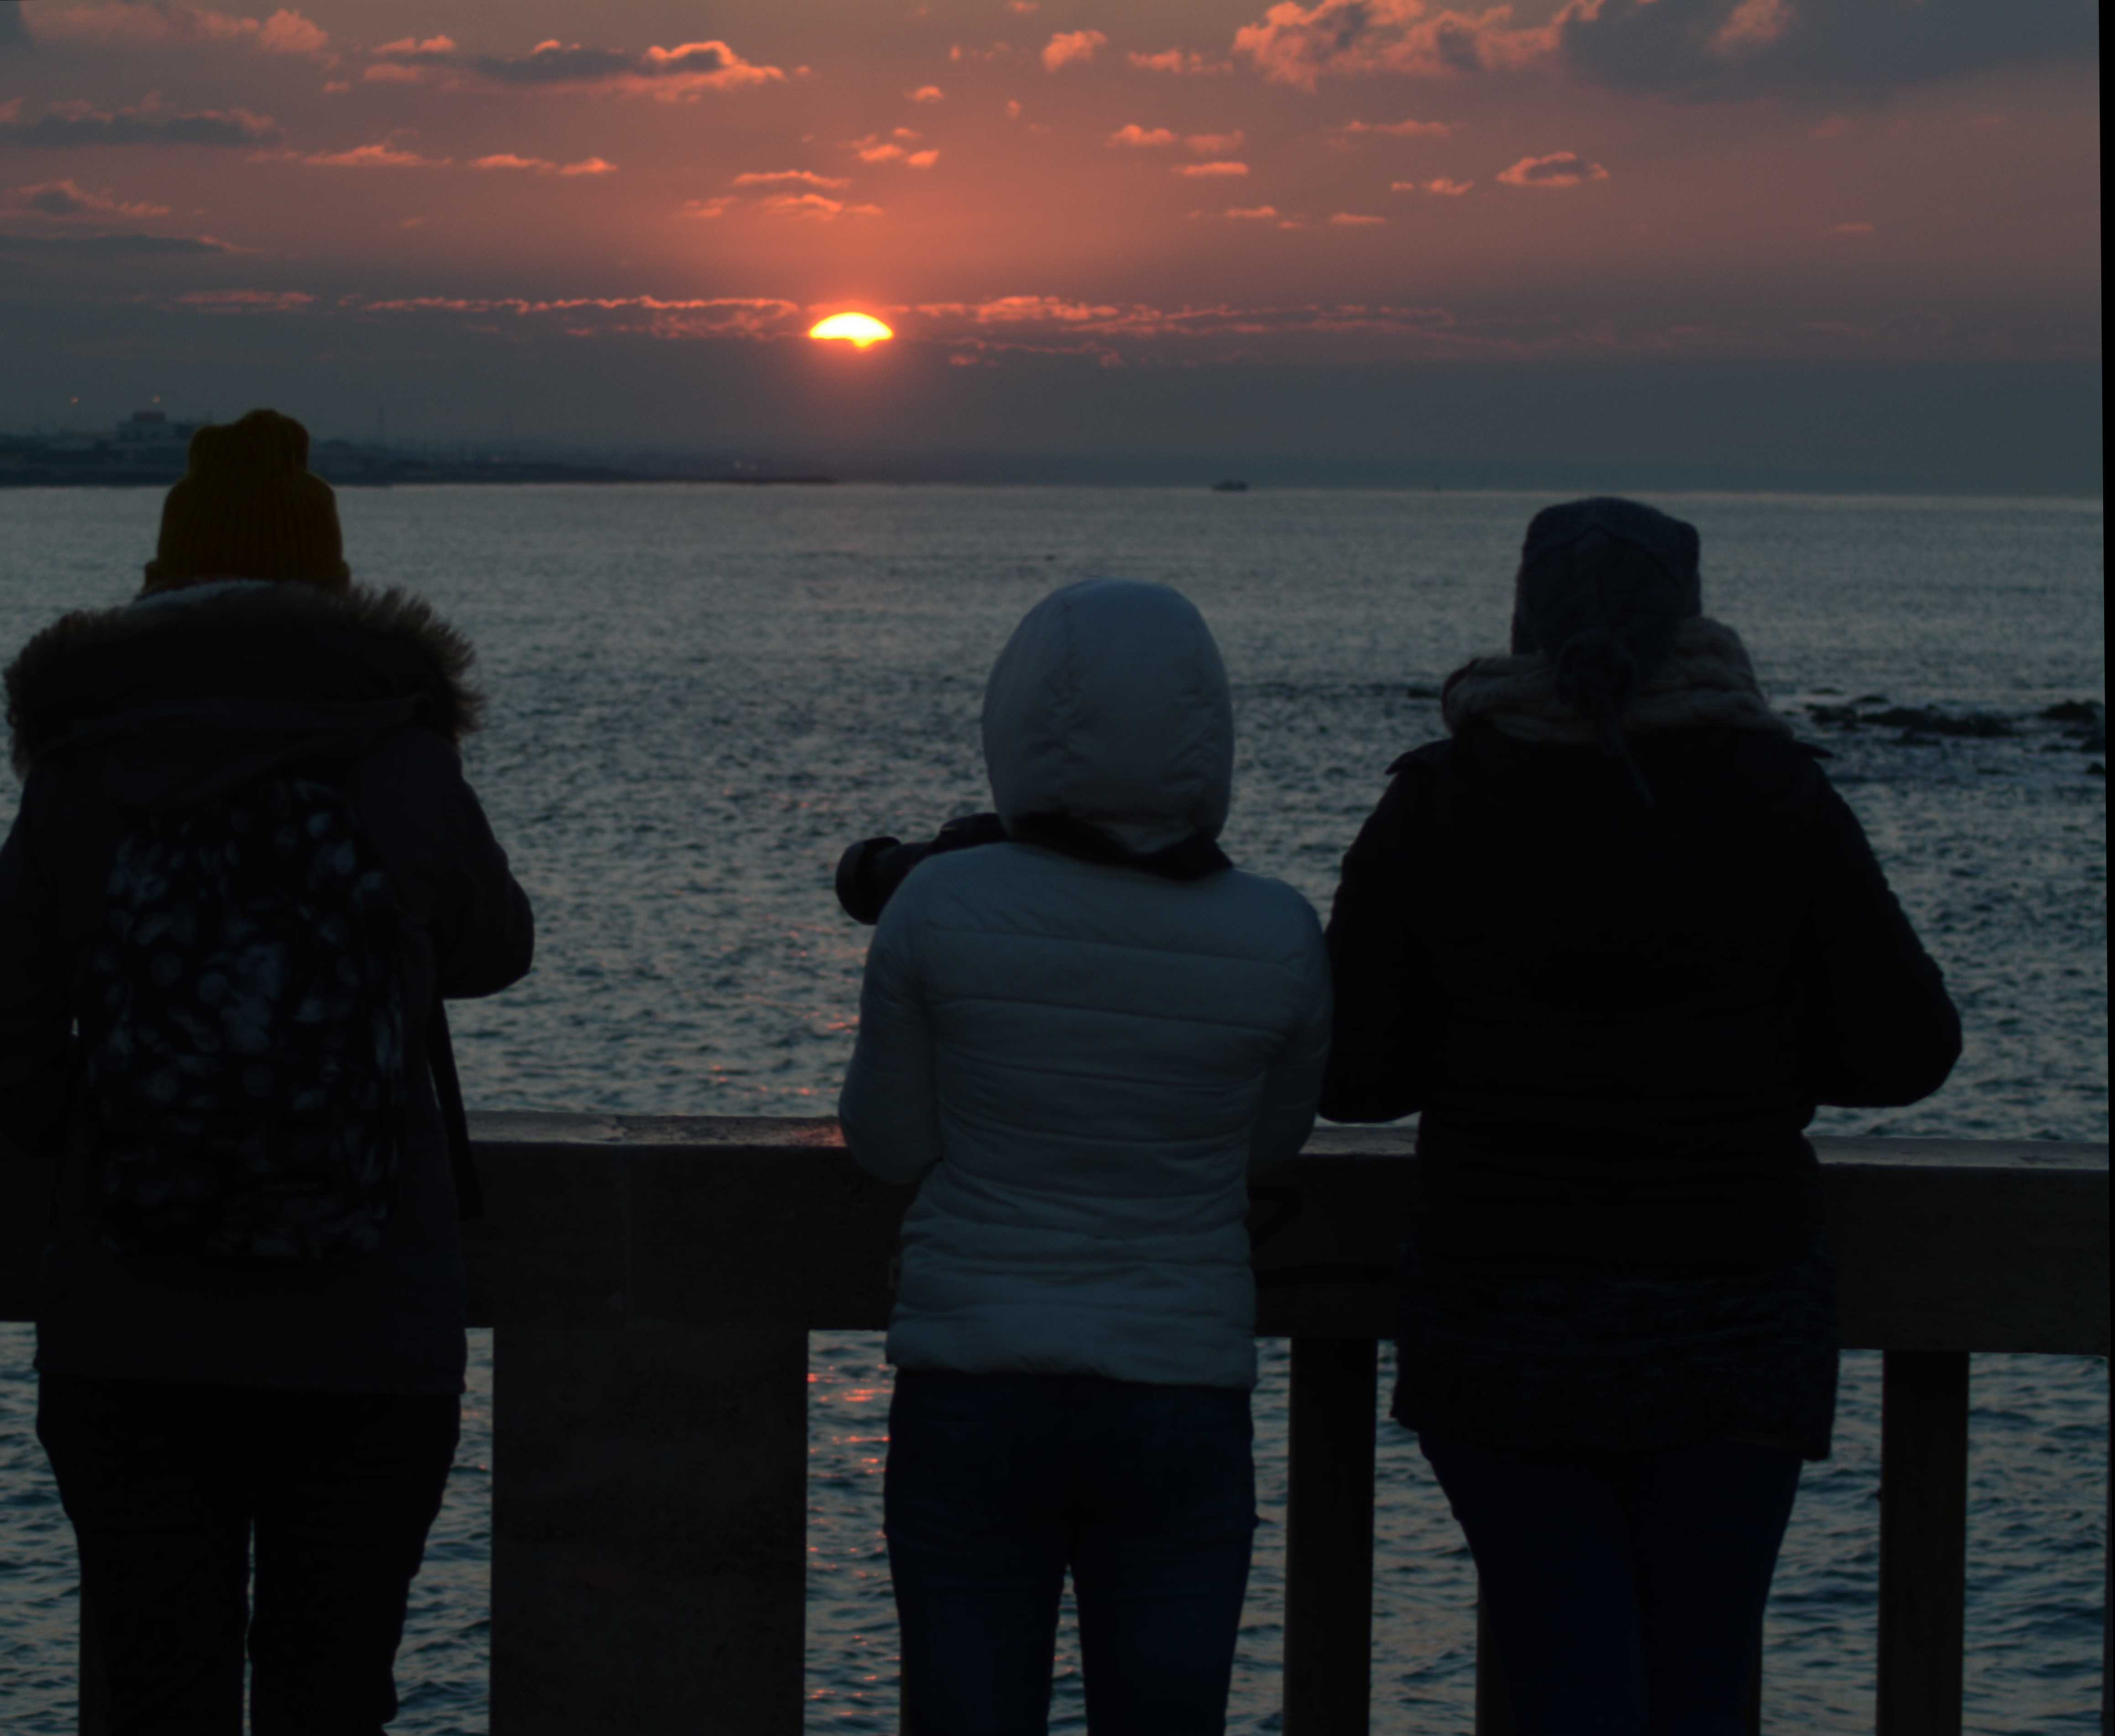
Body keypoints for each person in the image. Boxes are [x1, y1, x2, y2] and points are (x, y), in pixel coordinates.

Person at [1321, 498, 1960, 1735]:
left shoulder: (1442, 797)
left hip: (1504, 1313)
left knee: (1566, 1674)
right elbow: (1908, 1049)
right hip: (1731, 1310)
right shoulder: (1774, 791)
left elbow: (1350, 1076)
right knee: (1702, 1673)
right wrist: (1759, 1050)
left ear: (1522, 614)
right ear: (1689, 622)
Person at [0, 408, 531, 1736]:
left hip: (132, 1328)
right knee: (332, 1690)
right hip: (369, 1324)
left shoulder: (87, 766)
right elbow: (497, 949)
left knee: (160, 1691)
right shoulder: (398, 753)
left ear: (161, 586)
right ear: (330, 590)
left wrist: (120, 1140)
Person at [839, 579, 1331, 1735]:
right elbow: (1272, 1140)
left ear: (1013, 718)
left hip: (973, 1382)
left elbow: (887, 1144)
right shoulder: (1276, 929)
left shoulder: (938, 903)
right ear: (1206, 730)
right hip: (1178, 1387)